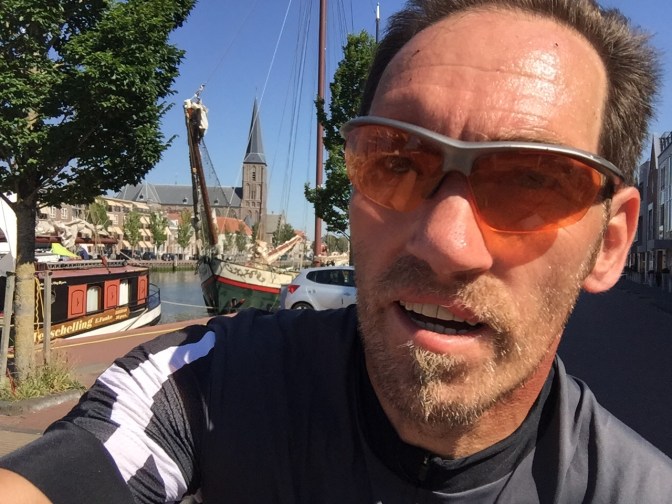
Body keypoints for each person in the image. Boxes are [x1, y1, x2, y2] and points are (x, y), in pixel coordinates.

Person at [2, 0, 672, 502]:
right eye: (395, 161)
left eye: (532, 182)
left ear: (610, 242)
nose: (446, 242)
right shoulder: (205, 389)